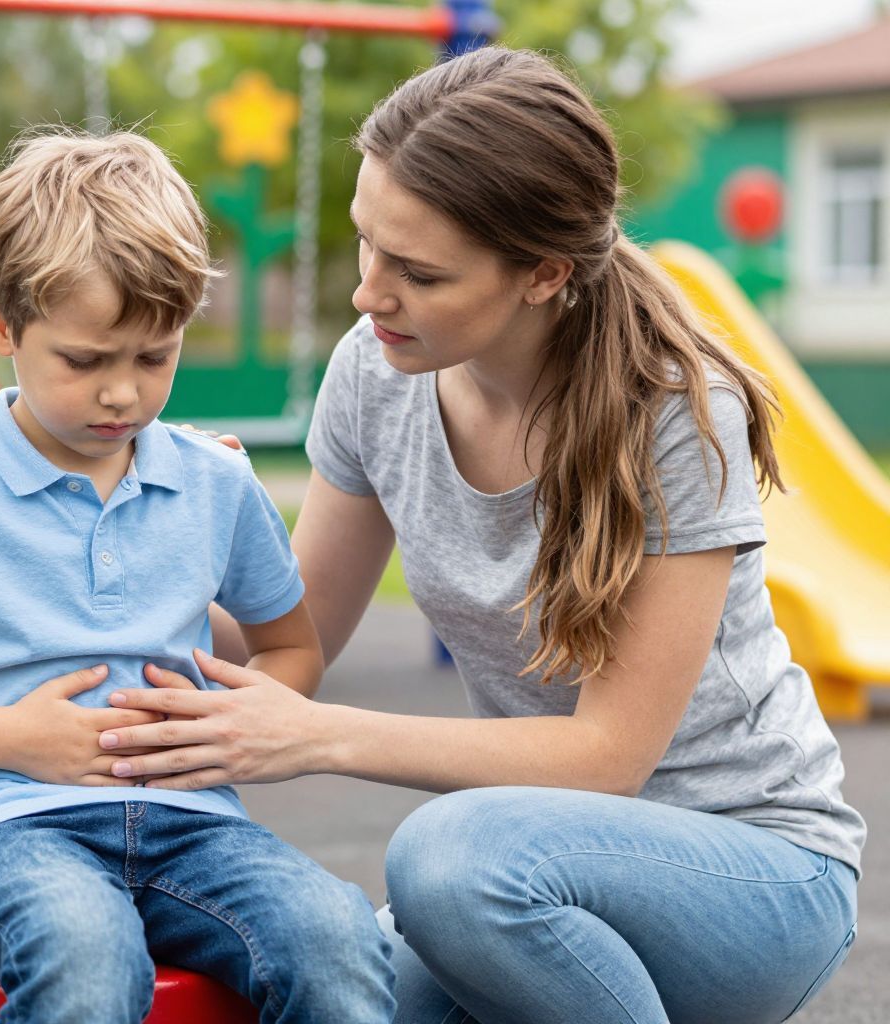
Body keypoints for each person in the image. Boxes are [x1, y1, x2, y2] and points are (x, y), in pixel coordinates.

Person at [93, 48, 864, 1024]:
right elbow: (293, 634)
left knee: (445, 860)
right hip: (532, 873)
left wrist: (318, 739)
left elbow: (608, 758)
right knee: (327, 984)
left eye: (417, 271)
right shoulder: (374, 373)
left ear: (542, 273)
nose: (371, 292)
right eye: (366, 243)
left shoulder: (672, 408)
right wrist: (139, 536)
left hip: (749, 875)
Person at [0, 130, 393, 1024]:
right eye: (85, 361)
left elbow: (290, 648)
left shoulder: (215, 483)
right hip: (5, 830)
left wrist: (233, 724)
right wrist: (12, 740)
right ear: (0, 326)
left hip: (195, 828)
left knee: (336, 935)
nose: (124, 395)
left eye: (155, 357)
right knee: (86, 951)